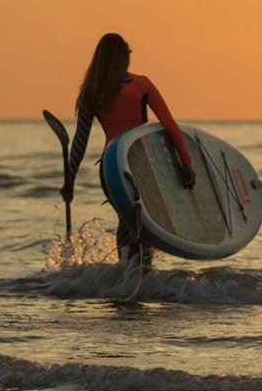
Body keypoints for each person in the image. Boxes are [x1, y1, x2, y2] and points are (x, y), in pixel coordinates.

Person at [59, 32, 195, 268]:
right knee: (143, 225)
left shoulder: (91, 92)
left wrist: (70, 180)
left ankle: (125, 278)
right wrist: (186, 163)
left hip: (111, 169)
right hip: (139, 165)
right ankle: (140, 275)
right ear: (123, 57)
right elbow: (169, 124)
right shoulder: (140, 84)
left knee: (128, 221)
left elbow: (80, 141)